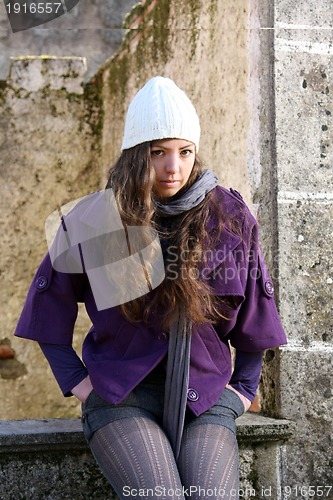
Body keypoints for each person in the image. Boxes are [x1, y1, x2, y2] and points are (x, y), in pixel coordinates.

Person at [15, 76, 287, 499]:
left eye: (184, 152)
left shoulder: (229, 217)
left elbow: (256, 312)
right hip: (122, 395)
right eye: (157, 153)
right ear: (135, 155)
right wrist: (79, 384)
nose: (172, 167)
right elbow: (46, 308)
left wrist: (243, 389)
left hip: (206, 397)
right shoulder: (94, 219)